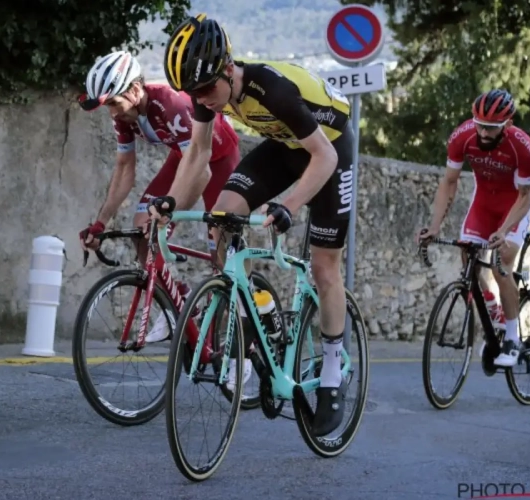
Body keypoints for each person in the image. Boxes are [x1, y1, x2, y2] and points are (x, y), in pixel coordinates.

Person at [148, 13, 356, 437]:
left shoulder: (270, 88)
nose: (202, 99)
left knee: (323, 267)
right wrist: (171, 202)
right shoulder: (207, 95)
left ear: (228, 67)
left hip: (330, 150)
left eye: (206, 90)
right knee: (222, 219)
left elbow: (325, 158)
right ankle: (254, 311)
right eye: (193, 93)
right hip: (283, 147)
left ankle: (333, 372)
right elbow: (197, 155)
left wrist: (290, 205)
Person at [77, 50, 242, 344]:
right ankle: (178, 301)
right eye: (108, 107)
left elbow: (201, 171)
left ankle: (239, 342)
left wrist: (170, 212)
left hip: (218, 160)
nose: (113, 113)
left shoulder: (171, 104)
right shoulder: (124, 117)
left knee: (220, 246)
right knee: (142, 229)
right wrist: (100, 223)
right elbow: (124, 168)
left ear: (136, 89)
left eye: (115, 103)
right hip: (184, 157)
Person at [418, 89, 530, 368]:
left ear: (507, 125)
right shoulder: (462, 136)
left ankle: (512, 336)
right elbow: (449, 182)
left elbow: (526, 196)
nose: (483, 133)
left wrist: (505, 229)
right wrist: (434, 227)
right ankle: (492, 307)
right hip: (484, 202)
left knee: (501, 264)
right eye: (480, 125)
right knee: (467, 252)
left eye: (491, 128)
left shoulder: (523, 148)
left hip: (514, 205)